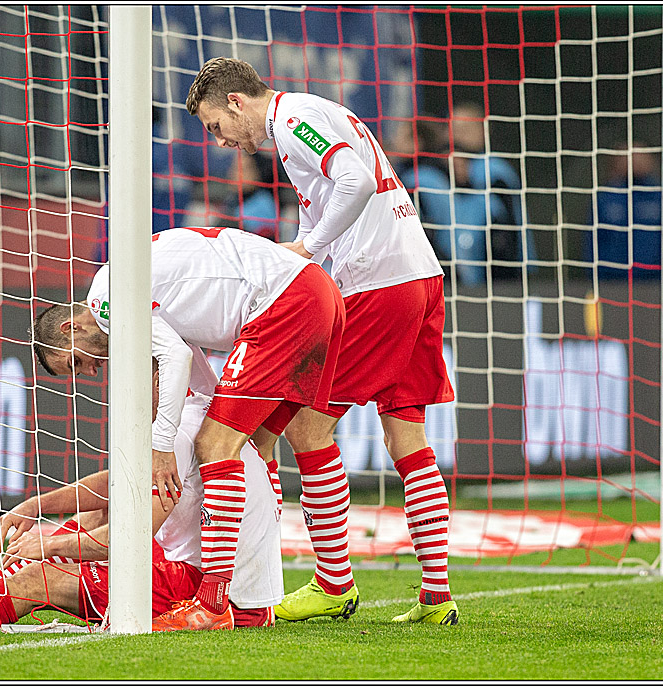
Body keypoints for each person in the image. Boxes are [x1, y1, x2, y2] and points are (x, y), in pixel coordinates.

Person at [186, 57, 458, 625]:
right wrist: (305, 250)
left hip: (379, 284)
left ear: (237, 102)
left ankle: (334, 583)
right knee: (406, 434)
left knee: (305, 427)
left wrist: (308, 248)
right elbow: (343, 194)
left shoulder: (292, 121)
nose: (221, 141)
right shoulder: (309, 116)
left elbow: (356, 180)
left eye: (216, 126)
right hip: (419, 276)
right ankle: (437, 597)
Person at [30, 226, 345, 631]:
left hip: (283, 302)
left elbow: (176, 356)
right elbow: (196, 372)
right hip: (320, 295)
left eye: (76, 362)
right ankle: (256, 599)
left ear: (70, 328)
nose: (90, 371)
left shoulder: (107, 301)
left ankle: (212, 605)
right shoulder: (125, 280)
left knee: (214, 445)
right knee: (254, 447)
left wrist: (161, 443)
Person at [0, 363, 283, 630]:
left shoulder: (176, 435)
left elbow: (128, 539)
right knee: (83, 525)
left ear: (160, 378)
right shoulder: (192, 416)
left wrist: (47, 543)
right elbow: (119, 483)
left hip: (220, 597)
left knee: (38, 575)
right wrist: (35, 508)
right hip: (215, 576)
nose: (121, 389)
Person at [409, 102, 528, 286]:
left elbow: (509, 233)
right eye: (452, 129)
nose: (457, 136)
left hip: (499, 278)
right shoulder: (429, 175)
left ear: (482, 132)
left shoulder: (495, 172)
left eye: (465, 129)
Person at [584, 141, 662, 281]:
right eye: (629, 155)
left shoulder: (661, 197)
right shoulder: (605, 197)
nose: (634, 161)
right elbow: (592, 239)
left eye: (639, 155)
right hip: (611, 279)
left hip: (654, 278)